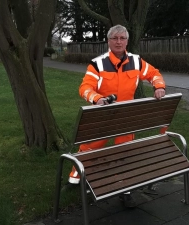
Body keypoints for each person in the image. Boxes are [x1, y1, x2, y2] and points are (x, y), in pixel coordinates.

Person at [68, 24, 166, 207]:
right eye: (115, 38)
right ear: (109, 41)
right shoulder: (97, 63)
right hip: (103, 114)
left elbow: (154, 74)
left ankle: (123, 187)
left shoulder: (137, 61)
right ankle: (76, 176)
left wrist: (159, 87)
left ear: (127, 41)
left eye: (122, 38)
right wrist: (97, 98)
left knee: (124, 151)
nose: (119, 42)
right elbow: (85, 88)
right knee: (90, 147)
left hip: (125, 117)